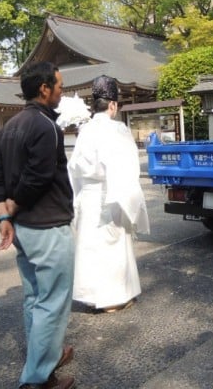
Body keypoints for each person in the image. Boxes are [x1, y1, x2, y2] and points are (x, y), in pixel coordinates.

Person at [0, 62, 75, 389]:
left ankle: (43, 357)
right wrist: (12, 206)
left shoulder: (10, 126)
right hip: (47, 225)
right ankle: (37, 378)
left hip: (22, 228)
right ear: (44, 89)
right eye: (60, 86)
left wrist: (4, 215)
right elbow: (37, 177)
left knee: (34, 298)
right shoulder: (45, 126)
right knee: (52, 301)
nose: (61, 92)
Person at [68, 74, 150, 313]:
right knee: (113, 249)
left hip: (89, 195)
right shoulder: (119, 130)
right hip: (112, 194)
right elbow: (128, 166)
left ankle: (92, 297)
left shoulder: (85, 131)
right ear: (113, 104)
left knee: (91, 248)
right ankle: (114, 298)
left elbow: (73, 168)